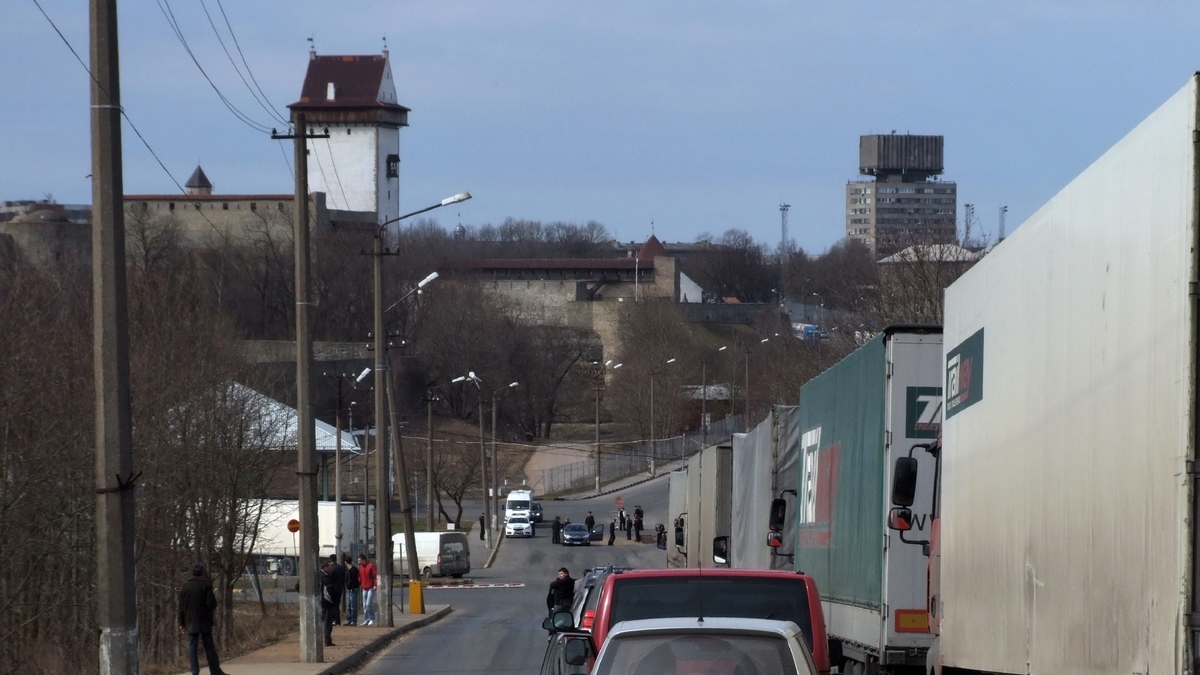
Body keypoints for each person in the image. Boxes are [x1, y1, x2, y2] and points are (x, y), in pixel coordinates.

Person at [178, 563, 227, 675]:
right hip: (204, 620)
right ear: (202, 573)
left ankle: (195, 671)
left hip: (190, 620)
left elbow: (181, 607)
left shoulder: (185, 586)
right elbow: (211, 604)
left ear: (192, 572)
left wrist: (181, 622)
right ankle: (215, 671)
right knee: (209, 646)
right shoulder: (206, 585)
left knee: (192, 647)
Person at [320, 559, 337, 646]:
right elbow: (329, 592)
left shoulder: (316, 576)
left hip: (319, 603)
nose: (331, 568)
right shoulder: (326, 579)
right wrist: (333, 601)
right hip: (326, 603)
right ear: (325, 567)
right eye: (330, 566)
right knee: (327, 622)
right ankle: (327, 640)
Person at [358, 553, 377, 626]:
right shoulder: (360, 567)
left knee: (368, 603)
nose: (359, 562)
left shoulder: (370, 566)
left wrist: (375, 585)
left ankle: (372, 618)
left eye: (360, 560)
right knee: (364, 605)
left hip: (370, 587)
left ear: (364, 560)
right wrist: (360, 582)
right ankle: (367, 619)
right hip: (364, 587)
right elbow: (359, 576)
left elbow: (374, 575)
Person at [327, 553, 345, 626]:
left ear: (330, 560)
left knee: (333, 605)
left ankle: (335, 620)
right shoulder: (341, 567)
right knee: (337, 604)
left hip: (333, 588)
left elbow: (330, 578)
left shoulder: (331, 568)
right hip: (340, 588)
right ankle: (337, 620)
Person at [343, 553, 360, 626]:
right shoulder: (348, 570)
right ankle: (349, 620)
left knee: (353, 606)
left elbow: (355, 580)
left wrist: (351, 586)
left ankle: (353, 620)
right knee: (348, 606)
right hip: (349, 589)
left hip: (353, 589)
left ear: (345, 562)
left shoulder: (353, 570)